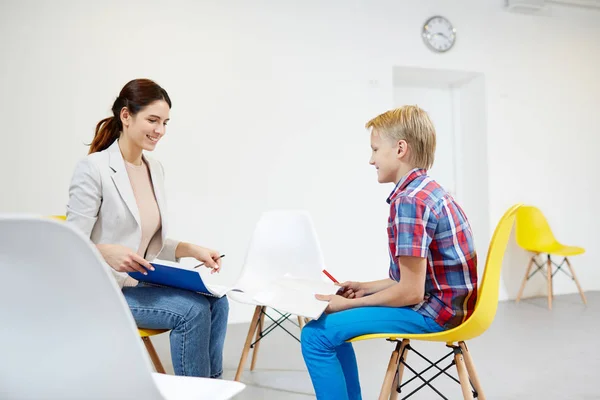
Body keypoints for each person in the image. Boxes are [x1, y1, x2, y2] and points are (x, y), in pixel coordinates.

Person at [301, 105, 478, 400]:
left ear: (400, 149)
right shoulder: (429, 191)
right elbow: (419, 280)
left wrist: (345, 306)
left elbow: (411, 294)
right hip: (452, 307)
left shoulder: (410, 201)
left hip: (436, 315)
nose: (370, 160)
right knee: (328, 330)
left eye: (374, 149)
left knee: (316, 335)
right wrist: (365, 288)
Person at [66, 78, 228, 378]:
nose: (160, 130)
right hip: (103, 289)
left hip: (138, 281)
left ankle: (211, 390)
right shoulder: (94, 169)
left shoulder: (154, 169)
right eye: (153, 120)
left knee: (217, 302)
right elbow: (69, 244)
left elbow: (143, 237)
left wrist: (192, 249)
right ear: (126, 116)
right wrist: (104, 251)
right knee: (192, 312)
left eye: (165, 122)